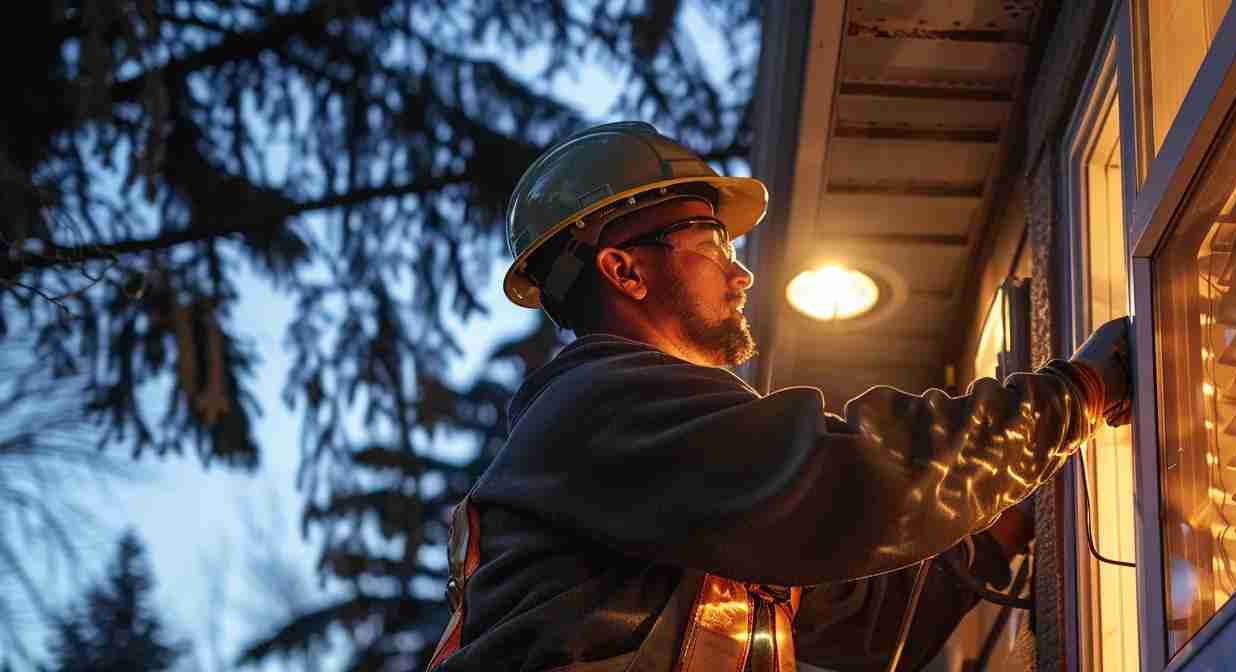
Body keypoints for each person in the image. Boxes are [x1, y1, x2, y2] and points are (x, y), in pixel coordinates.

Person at [426, 121, 1134, 672]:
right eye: (713, 244)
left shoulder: (677, 489)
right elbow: (858, 479)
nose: (742, 277)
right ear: (623, 270)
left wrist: (1009, 529)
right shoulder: (596, 408)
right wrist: (1081, 392)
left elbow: (874, 625)